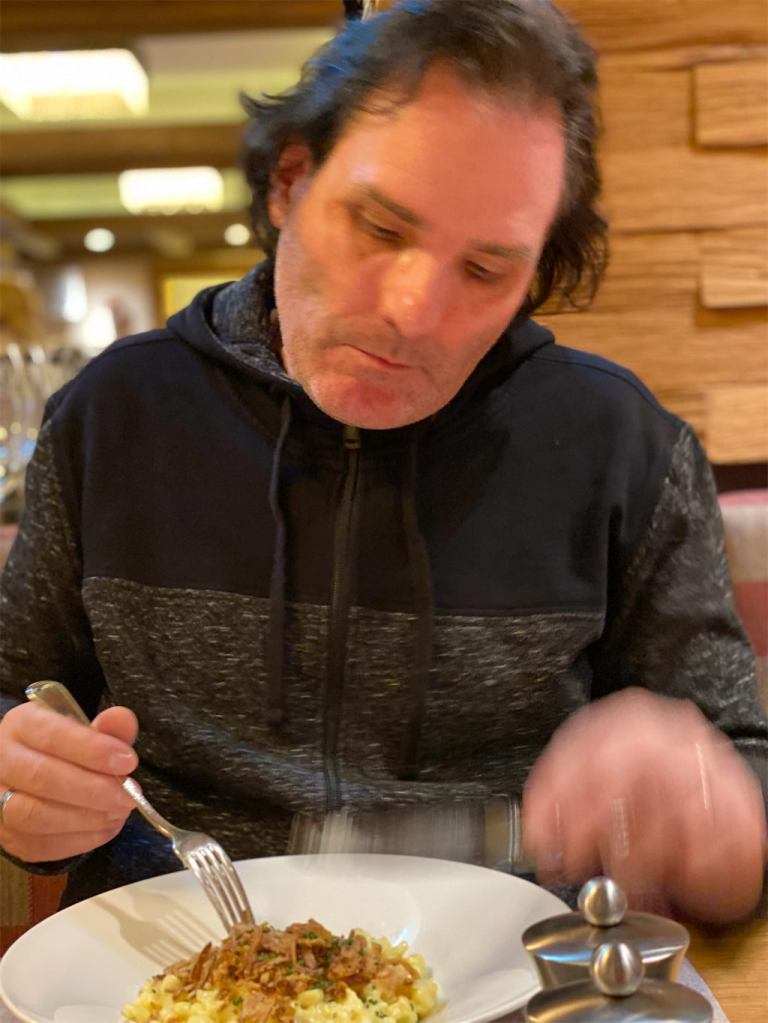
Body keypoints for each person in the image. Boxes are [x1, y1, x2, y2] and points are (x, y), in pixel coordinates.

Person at [0, 0, 766, 925]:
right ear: (290, 184)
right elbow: (16, 688)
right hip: (163, 962)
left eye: (484, 270)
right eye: (380, 228)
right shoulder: (115, 415)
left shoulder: (624, 445)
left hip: (509, 968)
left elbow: (744, 772)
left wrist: (716, 808)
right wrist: (24, 784)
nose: (414, 310)